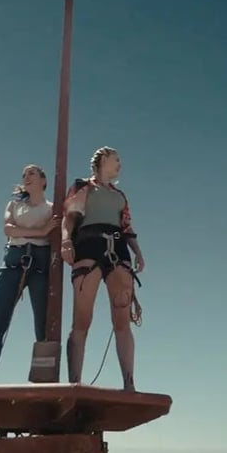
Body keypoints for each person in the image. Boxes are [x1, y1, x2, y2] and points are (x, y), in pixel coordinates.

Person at [60, 146, 145, 391]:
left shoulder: (120, 195)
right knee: (82, 319)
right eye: (116, 159)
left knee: (122, 320)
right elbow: (70, 217)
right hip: (89, 244)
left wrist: (138, 253)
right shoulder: (83, 186)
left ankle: (129, 383)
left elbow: (127, 226)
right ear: (103, 159)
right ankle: (74, 382)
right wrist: (66, 240)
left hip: (118, 248)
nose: (120, 164)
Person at [0, 164, 60, 384]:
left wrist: (37, 234)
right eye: (24, 175)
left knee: (42, 326)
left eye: (32, 173)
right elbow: (8, 229)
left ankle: (43, 380)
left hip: (40, 266)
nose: (26, 177)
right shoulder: (14, 204)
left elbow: (57, 233)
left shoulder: (53, 208)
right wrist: (41, 232)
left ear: (43, 180)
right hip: (14, 262)